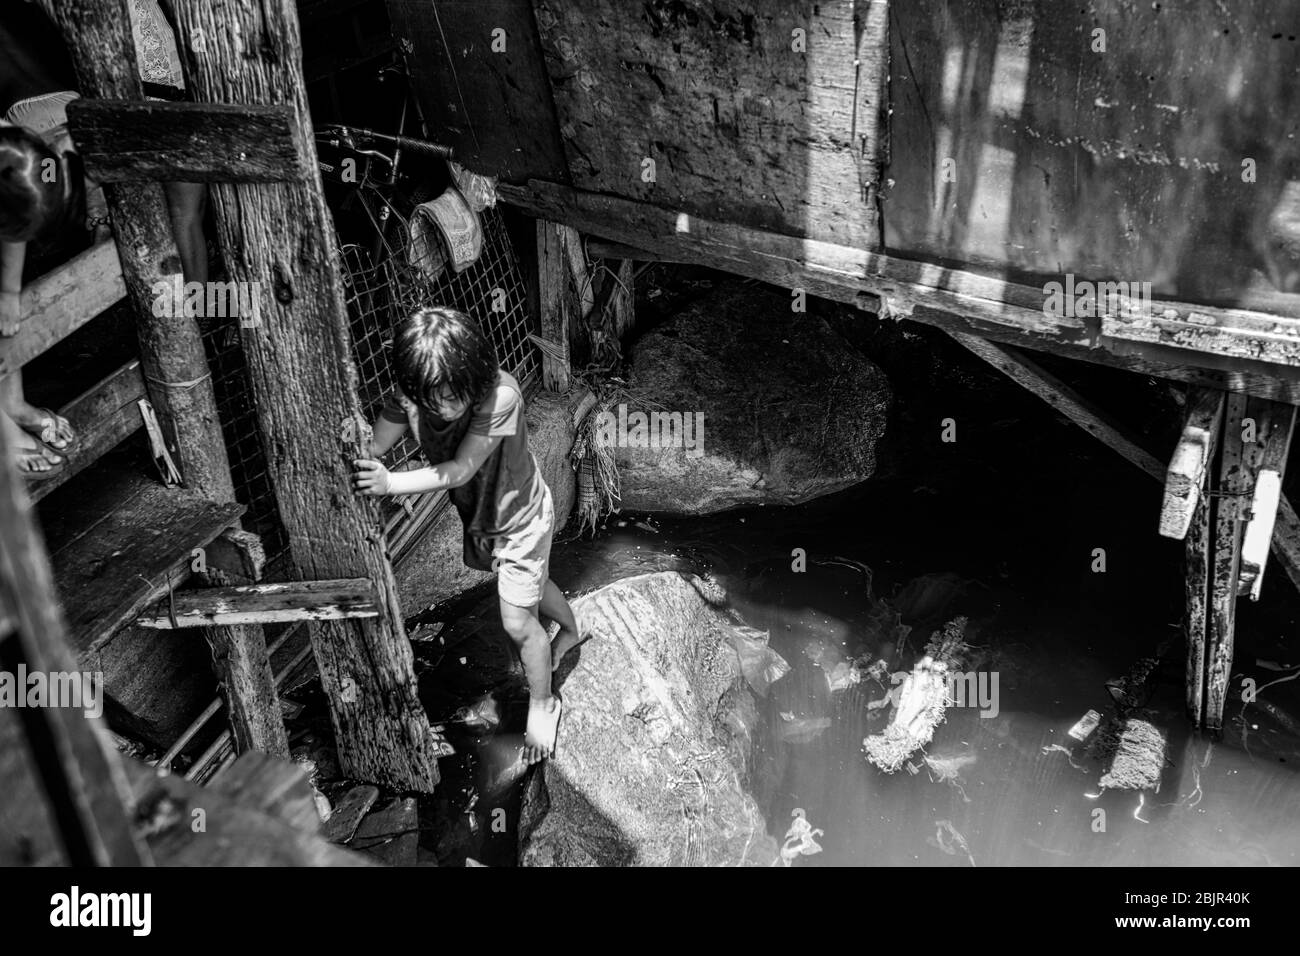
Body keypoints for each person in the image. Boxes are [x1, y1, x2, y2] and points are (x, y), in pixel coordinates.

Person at [352, 307, 584, 765]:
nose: (444, 407)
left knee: (518, 622)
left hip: (520, 519)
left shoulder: (501, 396)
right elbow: (375, 445)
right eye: (433, 396)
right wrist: (355, 448)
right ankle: (574, 628)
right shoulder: (410, 397)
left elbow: (460, 468)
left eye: (454, 395)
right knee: (527, 587)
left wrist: (391, 484)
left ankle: (544, 703)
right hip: (482, 520)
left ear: (474, 371)